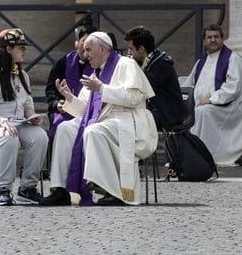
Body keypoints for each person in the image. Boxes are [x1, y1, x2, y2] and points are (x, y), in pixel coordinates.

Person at [39, 31, 158, 206]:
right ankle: (61, 189)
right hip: (102, 122)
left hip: (127, 120)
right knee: (65, 128)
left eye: (88, 50)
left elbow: (135, 98)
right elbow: (86, 113)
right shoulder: (95, 73)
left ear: (102, 49)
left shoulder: (126, 65)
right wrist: (70, 97)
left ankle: (112, 190)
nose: (85, 55)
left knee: (93, 131)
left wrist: (102, 89)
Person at [0, 28, 48, 205]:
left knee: (40, 137)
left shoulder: (23, 75)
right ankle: (3, 189)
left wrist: (33, 117)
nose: (24, 51)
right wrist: (3, 121)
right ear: (8, 49)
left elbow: (27, 105)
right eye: (20, 47)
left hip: (18, 123)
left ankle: (27, 188)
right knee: (9, 137)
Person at [182, 24, 242, 167]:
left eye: (216, 37)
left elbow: (233, 87)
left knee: (202, 112)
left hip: (230, 107)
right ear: (204, 41)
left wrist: (211, 99)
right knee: (189, 113)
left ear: (222, 39)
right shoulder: (201, 62)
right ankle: (188, 156)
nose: (213, 40)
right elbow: (189, 84)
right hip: (204, 105)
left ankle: (205, 156)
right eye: (209, 37)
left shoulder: (233, 58)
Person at [124, 26, 184, 131]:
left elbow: (141, 88)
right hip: (152, 111)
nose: (128, 53)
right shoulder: (146, 63)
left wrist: (131, 66)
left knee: (128, 124)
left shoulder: (161, 65)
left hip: (166, 115)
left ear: (141, 49)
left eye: (131, 49)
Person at [44, 24, 96, 137]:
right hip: (65, 110)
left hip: (88, 111)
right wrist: (57, 103)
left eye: (90, 44)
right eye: (84, 41)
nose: (86, 46)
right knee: (59, 124)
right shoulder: (63, 62)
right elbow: (51, 89)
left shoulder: (97, 65)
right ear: (78, 41)